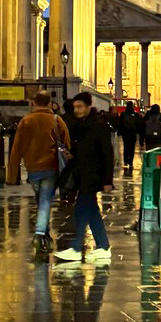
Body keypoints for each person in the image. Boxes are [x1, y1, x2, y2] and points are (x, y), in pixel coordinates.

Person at [8, 90, 71, 262]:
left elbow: (16, 148)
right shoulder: (56, 120)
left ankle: (45, 235)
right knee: (44, 202)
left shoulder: (26, 121)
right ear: (50, 103)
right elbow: (66, 142)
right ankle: (39, 234)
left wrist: (12, 174)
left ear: (34, 103)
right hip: (51, 166)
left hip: (33, 168)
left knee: (41, 201)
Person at [54, 90, 115, 265]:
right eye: (75, 107)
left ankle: (76, 248)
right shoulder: (81, 125)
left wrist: (108, 180)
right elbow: (81, 149)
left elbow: (108, 154)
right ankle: (103, 246)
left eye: (80, 107)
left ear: (89, 106)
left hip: (93, 175)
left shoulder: (98, 125)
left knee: (81, 210)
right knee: (92, 211)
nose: (77, 110)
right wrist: (71, 154)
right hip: (83, 173)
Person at [117, 100, 142, 173]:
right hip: (132, 133)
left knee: (126, 147)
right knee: (132, 148)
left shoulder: (123, 114)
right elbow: (138, 124)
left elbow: (120, 124)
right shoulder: (135, 114)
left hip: (125, 133)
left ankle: (125, 161)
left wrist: (119, 132)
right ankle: (130, 161)